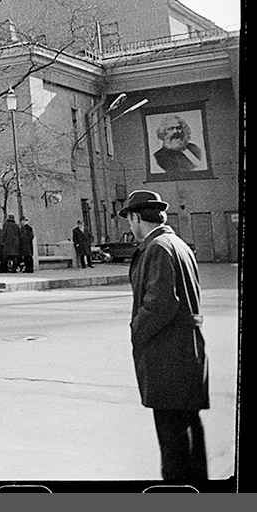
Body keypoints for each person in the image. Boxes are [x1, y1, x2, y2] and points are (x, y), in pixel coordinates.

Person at [121, 189, 209, 482]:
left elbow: (160, 304)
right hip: (186, 357)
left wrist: (136, 329)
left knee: (174, 450)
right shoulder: (176, 243)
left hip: (168, 359)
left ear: (136, 217)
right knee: (189, 442)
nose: (129, 228)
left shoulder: (157, 247)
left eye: (129, 220)